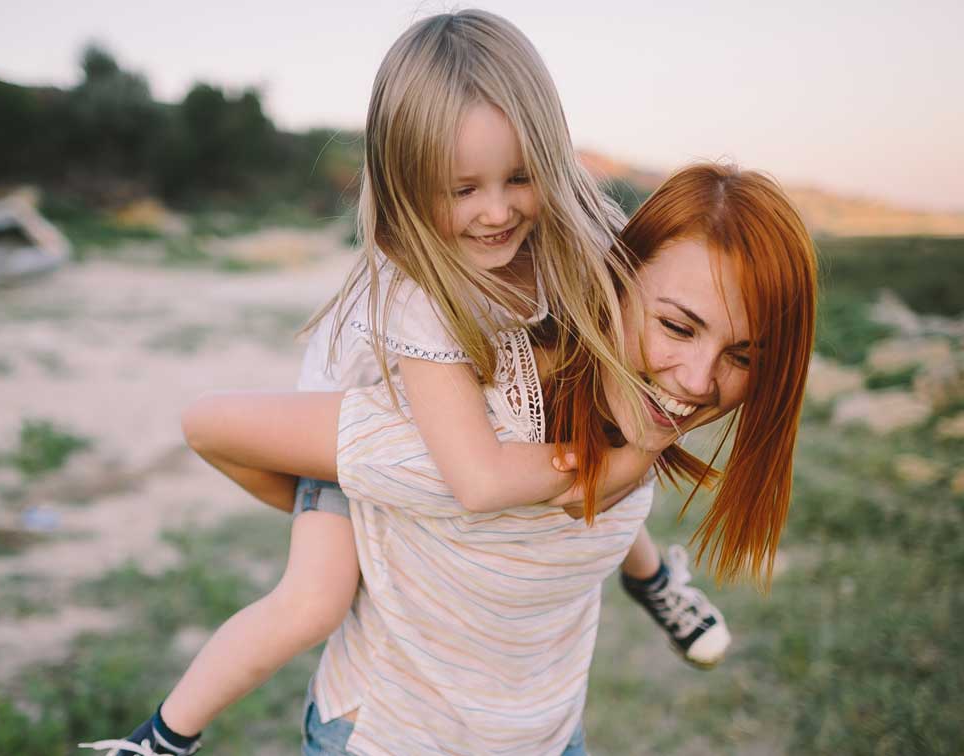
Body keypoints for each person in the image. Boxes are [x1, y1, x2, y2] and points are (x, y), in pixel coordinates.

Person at [80, 10, 727, 756]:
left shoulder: (578, 230)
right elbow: (479, 480)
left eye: (521, 177)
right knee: (313, 601)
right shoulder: (418, 287)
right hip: (353, 420)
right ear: (406, 182)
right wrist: (637, 451)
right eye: (462, 189)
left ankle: (652, 583)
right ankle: (159, 739)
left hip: (484, 441)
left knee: (568, 427)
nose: (496, 210)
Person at [183, 162, 817, 754]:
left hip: (552, 734)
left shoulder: (631, 402)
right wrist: (355, 507)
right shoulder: (455, 431)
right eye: (678, 327)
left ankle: (652, 582)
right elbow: (210, 427)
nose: (701, 382)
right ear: (618, 283)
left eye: (744, 358)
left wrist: (617, 473)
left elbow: (590, 502)